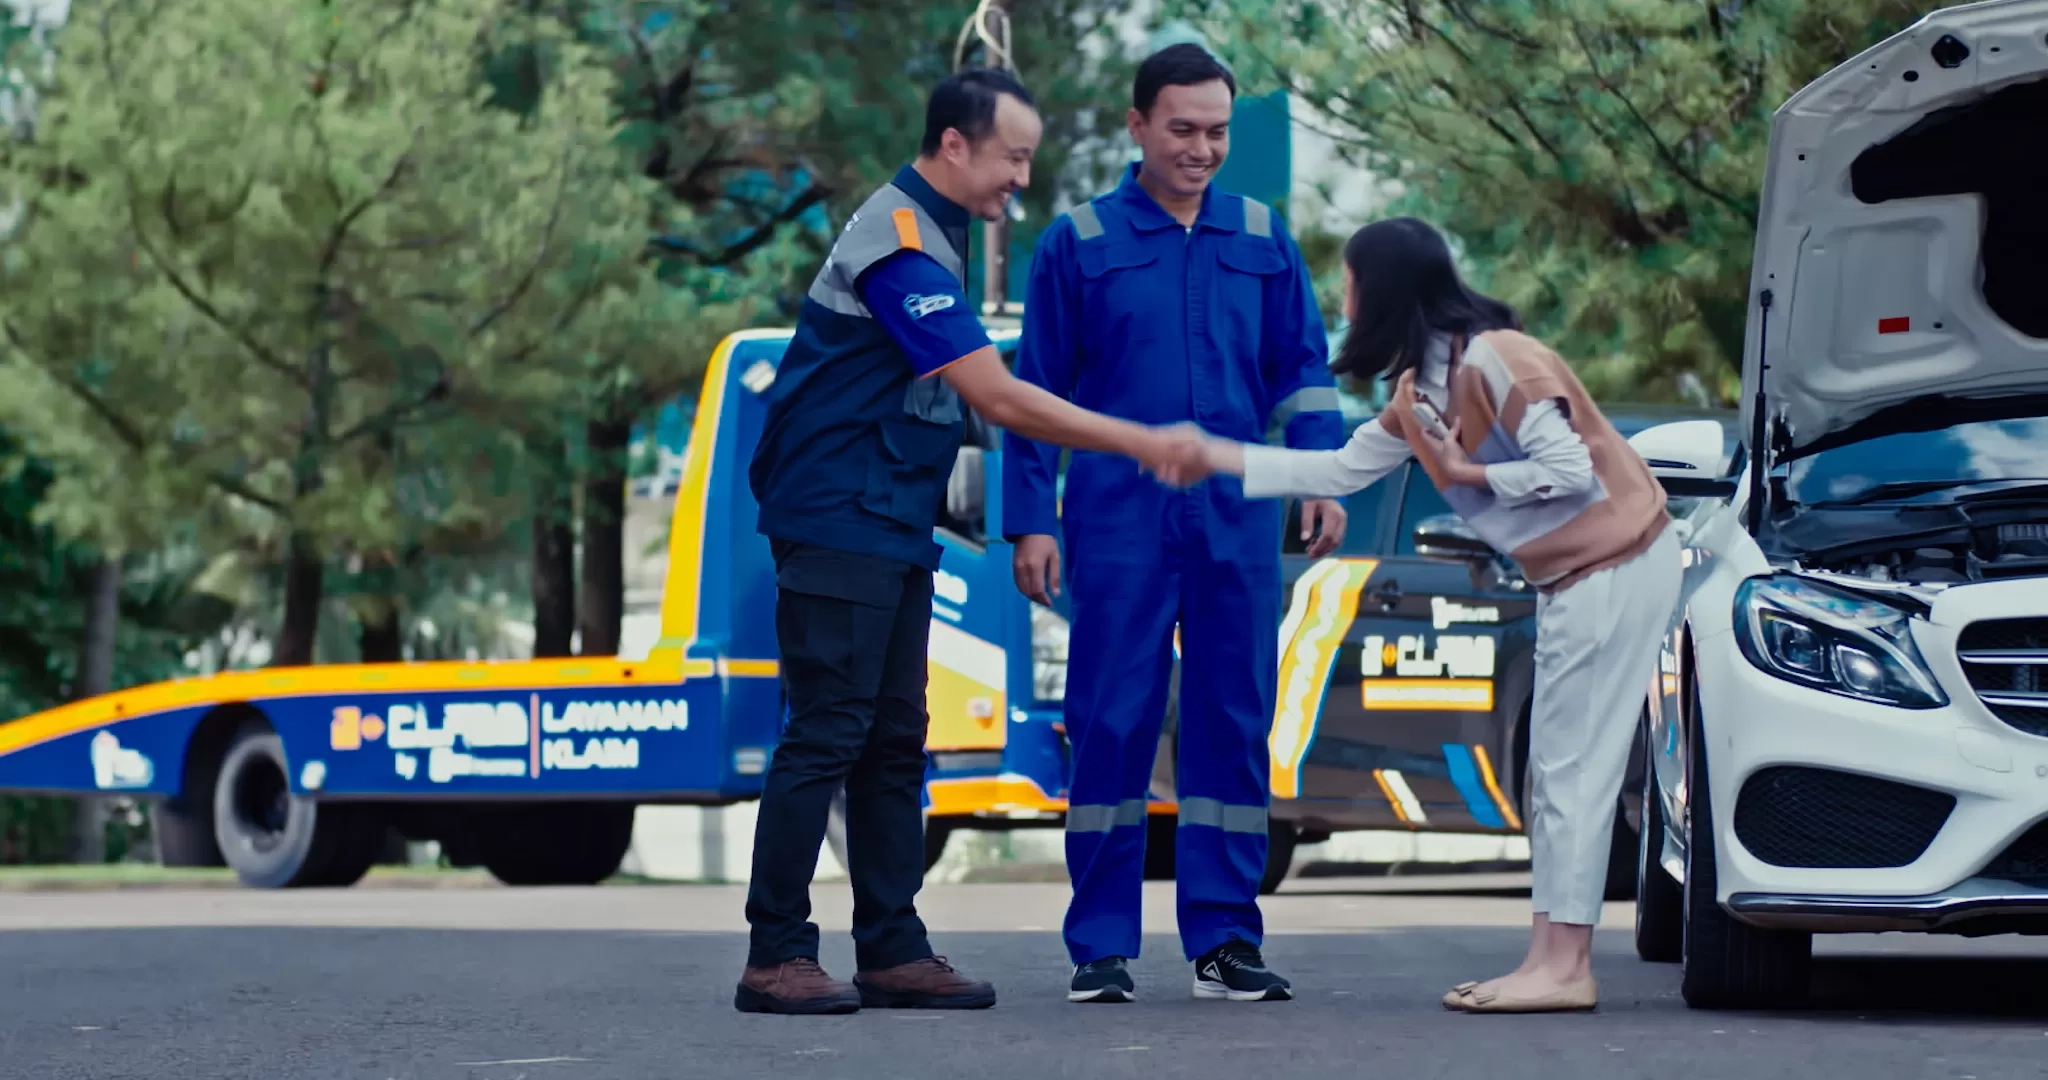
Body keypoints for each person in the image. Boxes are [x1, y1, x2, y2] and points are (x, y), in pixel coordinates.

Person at [736, 69, 1215, 1016]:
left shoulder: (941, 235)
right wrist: (1140, 439)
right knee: (829, 731)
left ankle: (891, 947)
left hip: (888, 517)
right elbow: (994, 395)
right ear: (955, 145)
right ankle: (775, 953)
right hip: (836, 515)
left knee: (894, 739)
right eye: (1014, 157)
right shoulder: (903, 242)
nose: (1022, 181)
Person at [1182, 216, 1683, 1014]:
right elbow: (1341, 471)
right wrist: (1217, 458)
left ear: (1384, 288)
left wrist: (1461, 471)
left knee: (1572, 771)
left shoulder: (1496, 358)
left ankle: (1565, 967)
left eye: (1349, 284)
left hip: (1620, 564)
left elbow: (1569, 465)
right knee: (1556, 772)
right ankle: (1552, 962)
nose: (1342, 302)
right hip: (1575, 578)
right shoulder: (1418, 393)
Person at [1002, 43, 1348, 1006]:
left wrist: (1322, 473)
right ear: (1138, 126)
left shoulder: (1262, 236)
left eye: (1218, 131)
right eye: (1184, 129)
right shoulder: (1079, 242)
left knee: (1234, 720)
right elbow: (1033, 394)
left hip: (1237, 519)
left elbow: (1304, 371)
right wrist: (1032, 518)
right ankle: (1100, 944)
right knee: (1110, 722)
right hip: (1116, 520)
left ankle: (1226, 939)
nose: (1202, 149)